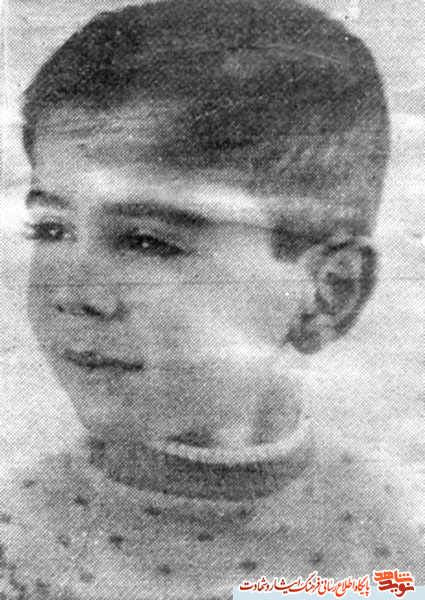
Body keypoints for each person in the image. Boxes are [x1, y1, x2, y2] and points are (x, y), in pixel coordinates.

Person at [0, 0, 422, 597]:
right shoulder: (18, 548)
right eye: (51, 230)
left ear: (327, 294)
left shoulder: (398, 535)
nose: (73, 294)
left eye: (146, 241)